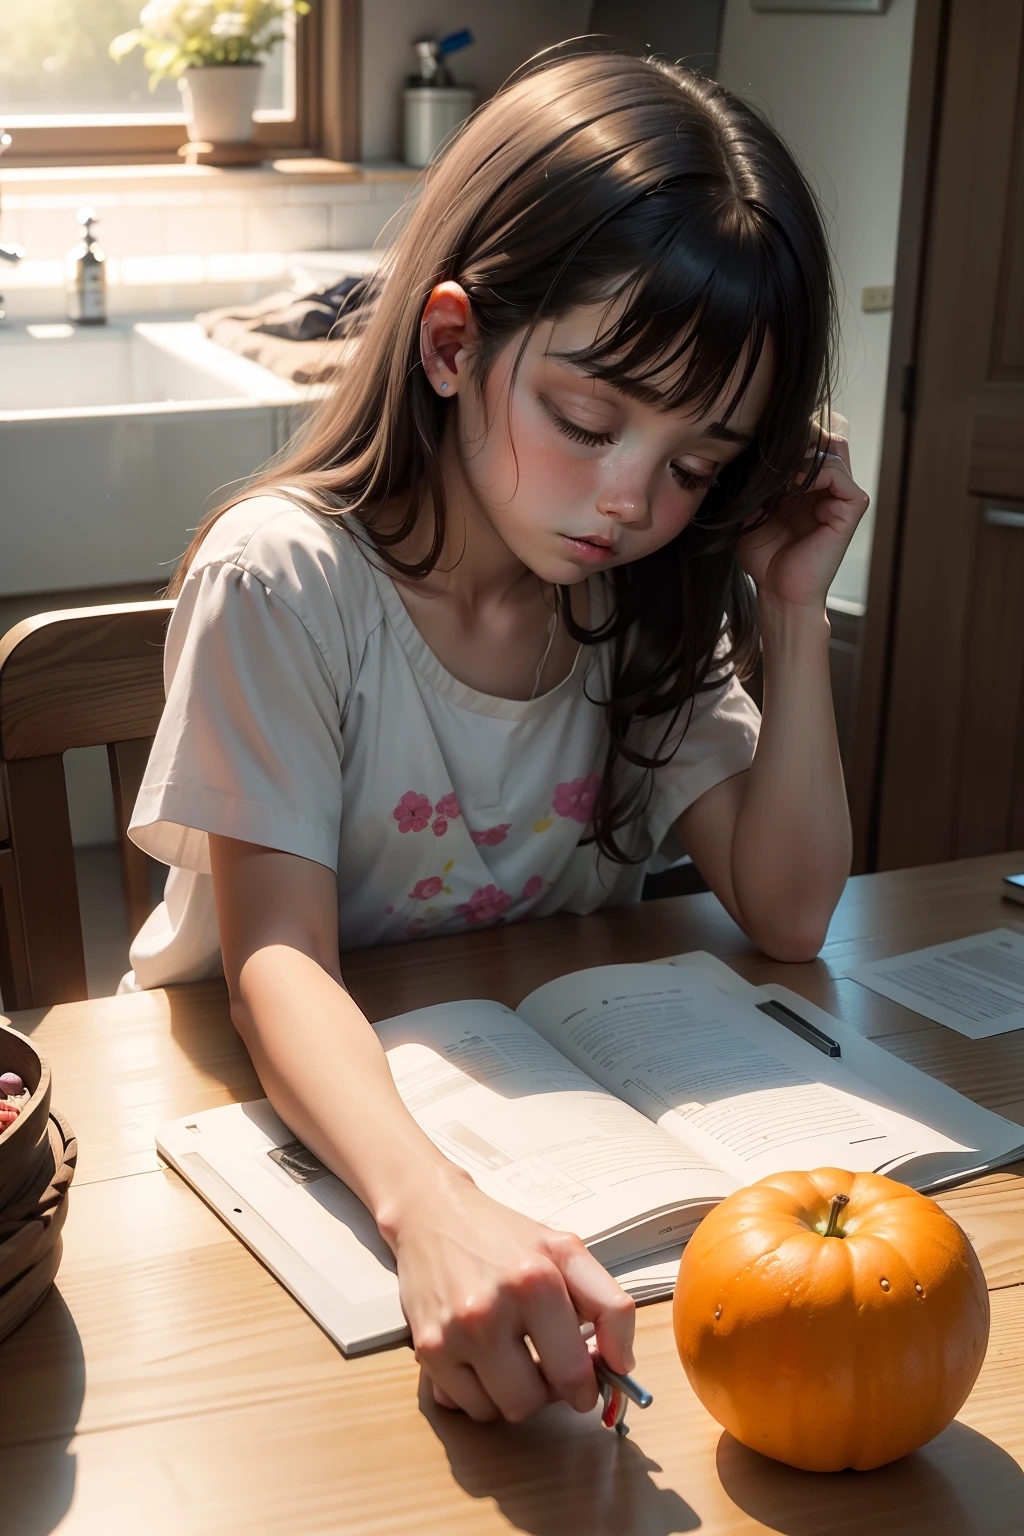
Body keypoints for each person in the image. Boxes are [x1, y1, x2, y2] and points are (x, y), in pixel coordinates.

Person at [123, 51, 867, 1425]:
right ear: (455, 346)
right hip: (274, 1137)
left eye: (698, 464)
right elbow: (275, 961)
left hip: (554, 1149)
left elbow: (790, 910)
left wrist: (790, 601)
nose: (631, 500)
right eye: (587, 421)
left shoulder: (645, 596)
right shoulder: (287, 582)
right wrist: (433, 1211)